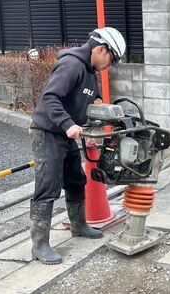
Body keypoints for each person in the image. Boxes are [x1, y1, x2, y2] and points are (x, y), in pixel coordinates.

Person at [29, 27, 126, 265]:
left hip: (68, 134)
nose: (109, 65)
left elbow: (87, 99)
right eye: (110, 59)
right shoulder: (71, 65)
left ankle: (79, 225)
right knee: (48, 186)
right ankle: (39, 245)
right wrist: (68, 124)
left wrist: (95, 112)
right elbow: (50, 98)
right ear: (101, 49)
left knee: (75, 180)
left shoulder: (89, 72)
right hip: (49, 132)